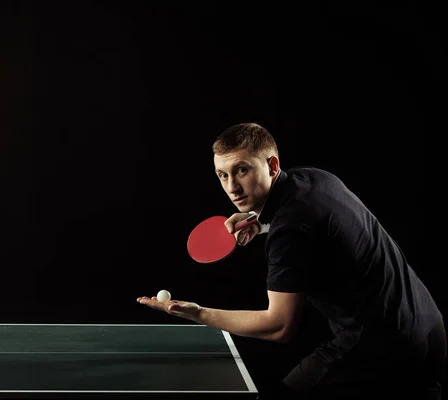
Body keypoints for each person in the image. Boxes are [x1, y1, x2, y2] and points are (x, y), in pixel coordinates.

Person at [137, 123, 445, 399]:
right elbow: (313, 224)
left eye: (242, 170)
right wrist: (261, 225)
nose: (232, 187)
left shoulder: (289, 231)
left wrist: (200, 314)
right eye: (223, 175)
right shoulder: (313, 179)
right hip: (429, 328)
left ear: (271, 166)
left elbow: (280, 326)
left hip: (379, 346)